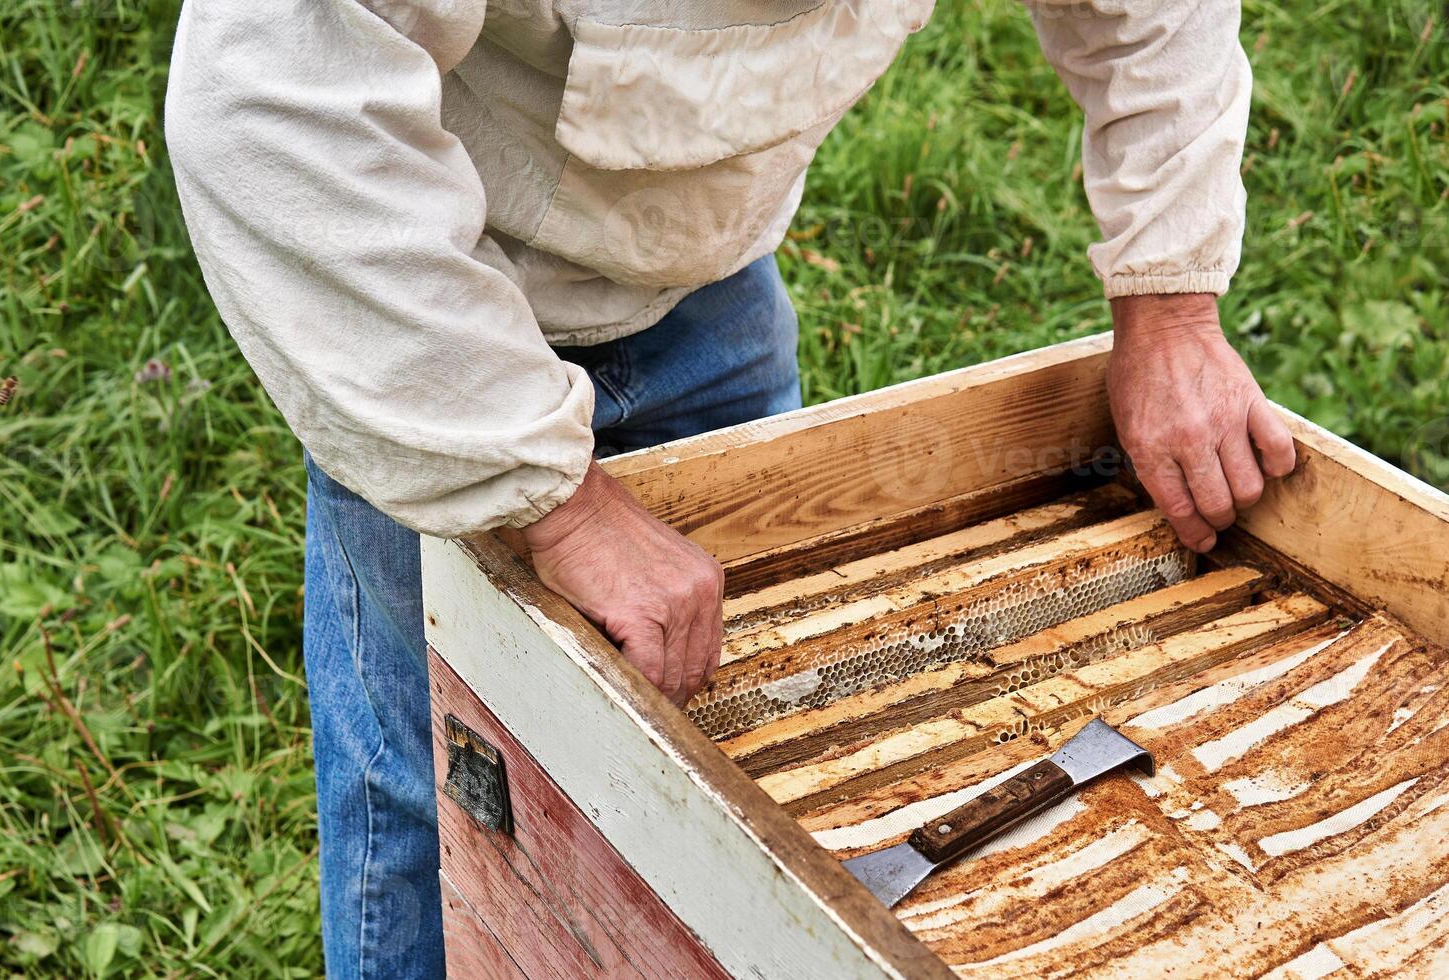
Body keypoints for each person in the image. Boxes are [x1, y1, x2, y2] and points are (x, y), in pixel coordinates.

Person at [164, 1, 1296, 975]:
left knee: (735, 788)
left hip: (708, 285)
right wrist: (556, 501)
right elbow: (271, 108)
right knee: (452, 790)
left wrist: (1171, 298)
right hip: (424, 304)